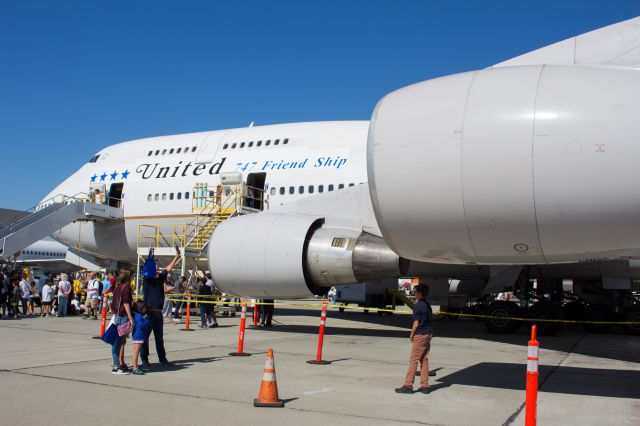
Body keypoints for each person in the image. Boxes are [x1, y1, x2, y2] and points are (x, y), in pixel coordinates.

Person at [140, 247, 181, 369]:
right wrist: (150, 253)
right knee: (145, 339)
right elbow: (149, 266)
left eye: (158, 268)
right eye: (156, 268)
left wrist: (176, 257)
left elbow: (168, 268)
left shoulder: (160, 278)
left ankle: (162, 359)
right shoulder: (147, 280)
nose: (158, 270)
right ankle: (144, 360)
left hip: (158, 314)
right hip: (148, 313)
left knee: (159, 339)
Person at [395, 284, 433, 394]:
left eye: (415, 291)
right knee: (424, 360)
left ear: (420, 293)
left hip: (420, 335)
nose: (414, 293)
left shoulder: (418, 306)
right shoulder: (427, 305)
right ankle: (424, 386)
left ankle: (408, 385)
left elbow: (416, 323)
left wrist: (411, 335)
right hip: (428, 334)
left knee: (413, 360)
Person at [110, 271, 134, 375]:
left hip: (117, 315)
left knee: (119, 341)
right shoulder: (126, 288)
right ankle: (116, 367)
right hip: (122, 316)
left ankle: (118, 365)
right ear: (128, 278)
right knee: (119, 342)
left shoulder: (117, 287)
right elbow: (126, 303)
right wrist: (130, 317)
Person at [131, 301, 150, 375]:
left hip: (139, 335)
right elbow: (141, 325)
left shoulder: (138, 315)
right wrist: (146, 319)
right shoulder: (139, 316)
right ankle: (135, 368)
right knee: (136, 352)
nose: (146, 309)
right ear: (140, 308)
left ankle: (135, 367)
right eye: (145, 308)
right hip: (138, 336)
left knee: (136, 352)